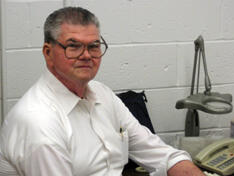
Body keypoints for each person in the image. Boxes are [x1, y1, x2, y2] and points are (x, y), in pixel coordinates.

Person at [0, 7, 205, 176]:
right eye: (73, 46)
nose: (87, 55)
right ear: (48, 53)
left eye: (94, 46)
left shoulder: (103, 95)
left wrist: (187, 168)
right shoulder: (39, 122)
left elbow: (159, 153)